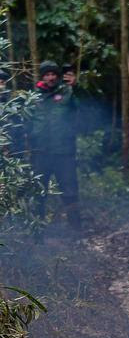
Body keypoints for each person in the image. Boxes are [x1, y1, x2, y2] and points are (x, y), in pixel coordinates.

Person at [26, 60, 80, 229]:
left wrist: (76, 87)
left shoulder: (67, 92)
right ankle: (38, 231)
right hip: (40, 152)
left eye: (53, 74)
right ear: (42, 77)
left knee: (69, 190)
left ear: (58, 76)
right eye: (46, 74)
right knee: (39, 191)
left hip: (64, 151)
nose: (50, 78)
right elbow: (26, 121)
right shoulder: (32, 96)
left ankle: (75, 228)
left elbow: (80, 108)